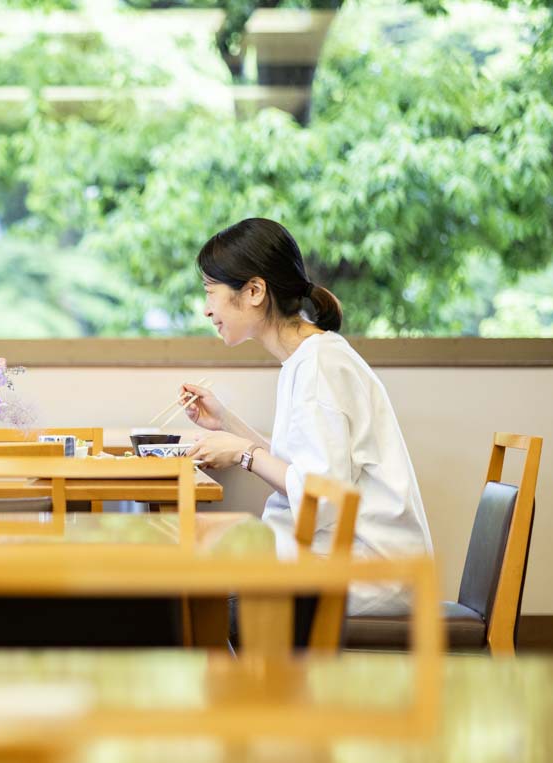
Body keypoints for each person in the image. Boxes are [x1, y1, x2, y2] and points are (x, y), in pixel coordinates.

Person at [181, 217, 432, 631]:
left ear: (255, 291)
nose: (207, 309)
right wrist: (226, 421)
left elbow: (324, 496)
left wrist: (243, 454)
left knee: (193, 600)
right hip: (340, 560)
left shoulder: (318, 366)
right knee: (198, 580)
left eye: (211, 293)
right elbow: (302, 468)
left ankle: (266, 694)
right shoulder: (310, 357)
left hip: (364, 574)